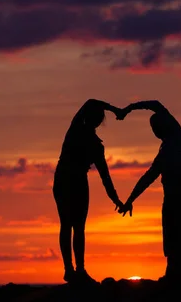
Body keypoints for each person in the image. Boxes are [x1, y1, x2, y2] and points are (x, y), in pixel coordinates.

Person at [117, 100, 181, 288]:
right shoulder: (166, 150)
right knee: (173, 241)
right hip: (172, 199)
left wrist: (129, 108)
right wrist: (129, 200)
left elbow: (155, 104)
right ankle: (176, 277)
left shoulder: (176, 138)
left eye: (155, 126)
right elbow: (148, 177)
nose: (154, 130)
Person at [53, 99, 125, 284]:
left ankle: (75, 270)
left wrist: (116, 200)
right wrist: (115, 108)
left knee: (70, 226)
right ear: (99, 121)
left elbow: (105, 176)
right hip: (69, 180)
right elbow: (105, 178)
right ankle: (74, 270)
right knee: (73, 226)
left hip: (70, 180)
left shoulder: (84, 136)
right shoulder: (79, 131)